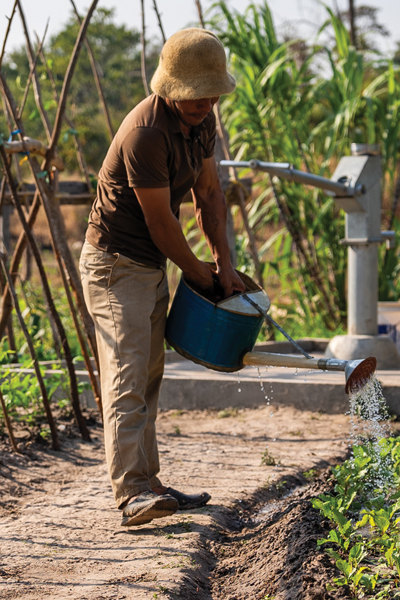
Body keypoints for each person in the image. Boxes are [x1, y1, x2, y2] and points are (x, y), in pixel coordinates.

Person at [79, 28, 245, 527]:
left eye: (212, 92)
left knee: (149, 375)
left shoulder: (202, 123)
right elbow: (160, 221)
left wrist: (225, 264)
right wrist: (199, 275)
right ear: (171, 88)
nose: (206, 102)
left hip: (148, 263)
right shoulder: (145, 133)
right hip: (114, 265)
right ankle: (130, 494)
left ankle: (149, 482)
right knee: (127, 374)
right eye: (196, 94)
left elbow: (209, 196)